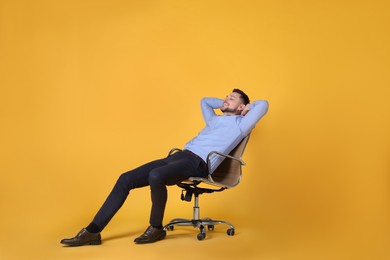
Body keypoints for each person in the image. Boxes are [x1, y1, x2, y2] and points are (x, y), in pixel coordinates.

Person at [60, 89, 268, 246]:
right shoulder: (214, 120)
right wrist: (227, 103)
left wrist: (248, 107)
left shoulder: (241, 125)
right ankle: (93, 231)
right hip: (180, 156)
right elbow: (205, 101)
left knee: (156, 176)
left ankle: (156, 228)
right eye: (225, 96)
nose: (225, 100)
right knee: (125, 179)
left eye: (231, 99)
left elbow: (264, 104)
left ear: (242, 108)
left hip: (198, 163)